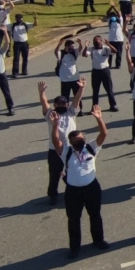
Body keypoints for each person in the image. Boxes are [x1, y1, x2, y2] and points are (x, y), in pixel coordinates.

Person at [52, 104, 110, 259]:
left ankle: (98, 240)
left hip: (92, 188)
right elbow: (56, 140)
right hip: (73, 192)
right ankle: (75, 247)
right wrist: (55, 126)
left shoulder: (90, 148)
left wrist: (99, 119)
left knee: (95, 215)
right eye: (77, 140)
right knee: (74, 219)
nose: (81, 142)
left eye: (82, 139)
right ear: (71, 142)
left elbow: (103, 134)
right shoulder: (67, 152)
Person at [40, 81, 84, 205]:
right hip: (55, 150)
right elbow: (44, 104)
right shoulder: (51, 115)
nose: (61, 105)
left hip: (71, 149)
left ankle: (74, 192)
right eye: (58, 103)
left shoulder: (71, 113)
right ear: (55, 105)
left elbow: (77, 99)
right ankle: (52, 195)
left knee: (72, 172)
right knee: (54, 174)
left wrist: (81, 88)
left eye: (63, 103)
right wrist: (41, 92)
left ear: (67, 104)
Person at [84, 35, 118, 112]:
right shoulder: (91, 49)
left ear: (101, 41)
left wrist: (109, 44)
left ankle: (113, 105)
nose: (95, 42)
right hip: (95, 72)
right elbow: (84, 55)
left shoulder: (106, 48)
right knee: (95, 91)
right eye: (94, 41)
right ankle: (94, 107)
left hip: (105, 71)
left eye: (97, 41)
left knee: (109, 89)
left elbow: (115, 51)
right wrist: (86, 46)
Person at [55, 36, 85, 114]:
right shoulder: (61, 54)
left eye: (73, 46)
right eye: (71, 46)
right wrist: (59, 45)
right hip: (65, 79)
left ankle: (79, 110)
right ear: (66, 46)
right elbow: (56, 52)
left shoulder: (74, 53)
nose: (72, 48)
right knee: (65, 97)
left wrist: (80, 43)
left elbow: (80, 49)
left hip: (75, 78)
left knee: (77, 96)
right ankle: (65, 111)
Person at [9, 12, 37, 77]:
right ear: (16, 19)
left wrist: (35, 18)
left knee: (25, 58)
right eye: (18, 19)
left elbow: (35, 24)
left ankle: (24, 71)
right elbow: (3, 26)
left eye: (21, 18)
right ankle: (15, 72)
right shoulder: (12, 25)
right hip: (17, 44)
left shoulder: (25, 24)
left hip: (25, 43)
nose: (20, 20)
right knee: (16, 58)